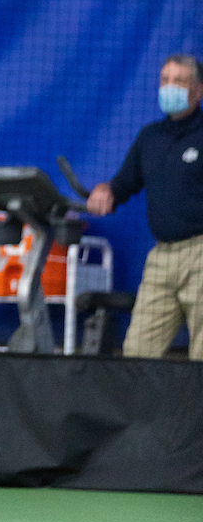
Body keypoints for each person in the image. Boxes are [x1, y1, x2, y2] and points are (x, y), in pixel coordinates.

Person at [86, 54, 203, 360]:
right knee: (138, 354)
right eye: (164, 80)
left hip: (200, 253)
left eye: (178, 81)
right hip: (161, 257)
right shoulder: (150, 137)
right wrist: (106, 190)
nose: (169, 87)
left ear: (197, 90)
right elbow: (122, 185)